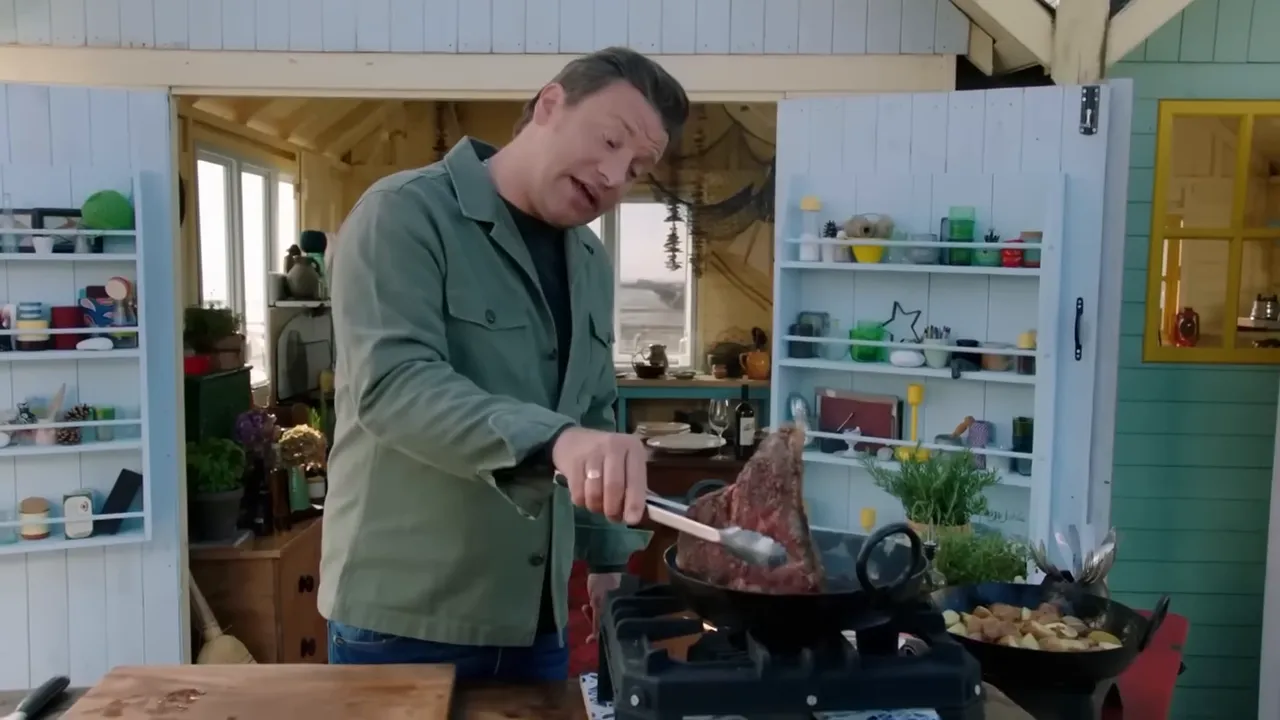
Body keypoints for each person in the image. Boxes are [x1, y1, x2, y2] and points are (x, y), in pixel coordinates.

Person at [318, 47, 690, 682]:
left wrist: (607, 559)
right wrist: (557, 440)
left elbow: (593, 407)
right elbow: (394, 385)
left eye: (636, 167)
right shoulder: (403, 215)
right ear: (549, 105)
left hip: (536, 619)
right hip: (405, 625)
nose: (612, 174)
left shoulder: (592, 263)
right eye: (608, 140)